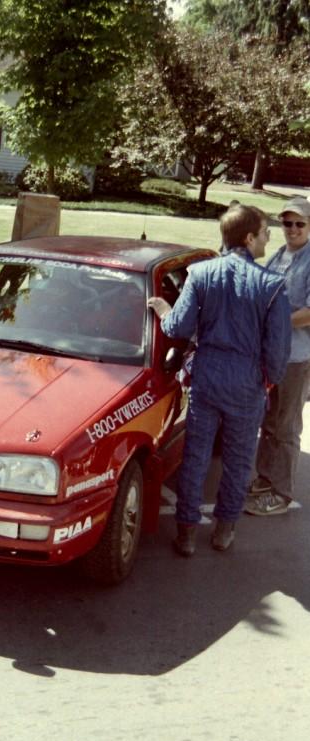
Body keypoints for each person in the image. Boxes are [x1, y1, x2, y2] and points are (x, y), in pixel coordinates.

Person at [148, 204, 291, 556]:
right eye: (265, 233)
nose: (269, 239)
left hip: (207, 376)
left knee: (195, 457)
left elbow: (178, 327)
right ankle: (224, 531)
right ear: (249, 237)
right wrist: (267, 382)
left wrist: (165, 311)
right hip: (246, 381)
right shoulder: (272, 286)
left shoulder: (200, 274)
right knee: (238, 460)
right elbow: (278, 351)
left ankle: (186, 534)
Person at [245, 197, 310, 516]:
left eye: (300, 223)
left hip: (298, 357)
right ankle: (265, 478)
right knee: (269, 422)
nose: (293, 229)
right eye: (287, 223)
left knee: (286, 426)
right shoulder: (279, 255)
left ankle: (281, 493)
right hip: (273, 355)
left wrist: (277, 321)